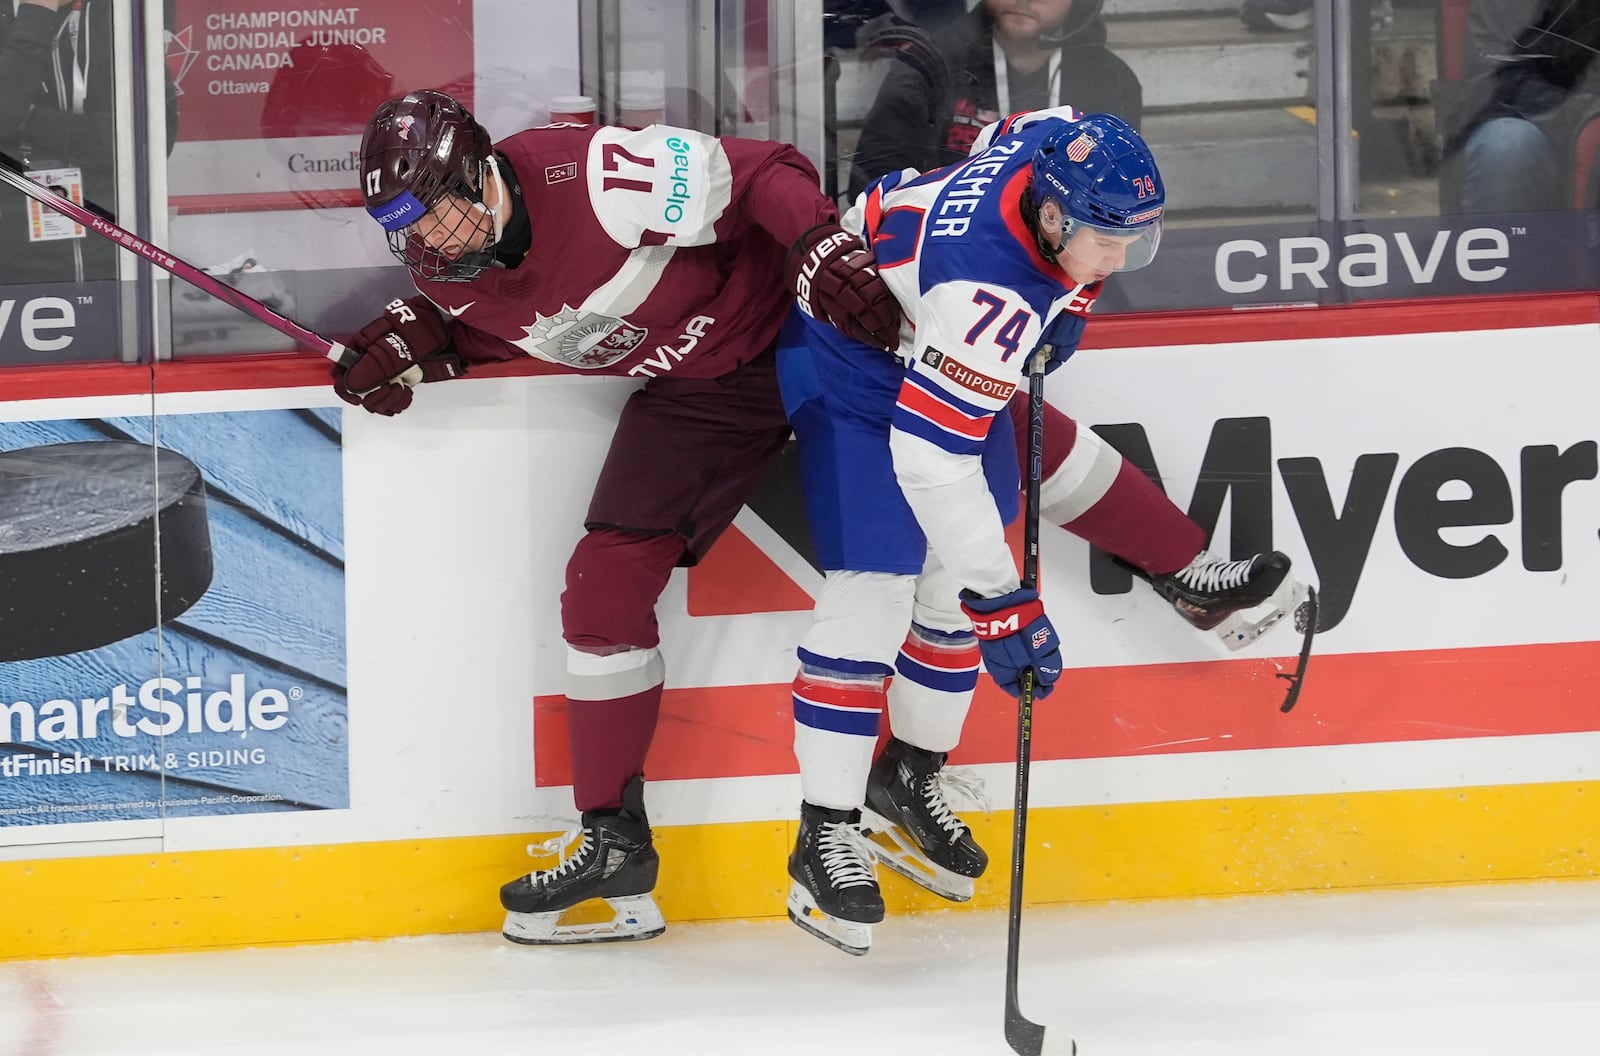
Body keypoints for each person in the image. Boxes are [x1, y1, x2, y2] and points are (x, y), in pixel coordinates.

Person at [344, 88, 901, 945]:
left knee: (978, 486)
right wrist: (418, 340)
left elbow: (762, 173)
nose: (424, 243)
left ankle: (1171, 563)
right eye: (405, 227)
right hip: (708, 392)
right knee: (600, 594)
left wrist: (819, 243)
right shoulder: (441, 269)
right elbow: (535, 320)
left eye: (436, 217)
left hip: (807, 333)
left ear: (480, 175)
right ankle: (614, 842)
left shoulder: (597, 175)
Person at [776, 106, 1309, 954]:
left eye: (1135, 237)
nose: (1119, 257)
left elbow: (1017, 125)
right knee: (872, 591)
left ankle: (907, 776)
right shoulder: (984, 292)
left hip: (927, 335)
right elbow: (928, 462)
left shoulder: (1060, 147)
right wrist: (1007, 605)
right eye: (1103, 239)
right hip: (851, 357)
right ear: (1053, 216)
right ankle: (823, 832)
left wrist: (1071, 298)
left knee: (951, 580)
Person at [847, 0, 1142, 199]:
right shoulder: (930, 63)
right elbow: (873, 186)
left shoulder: (1110, 81)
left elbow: (1118, 195)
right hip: (943, 256)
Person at [0, 0, 178, 286]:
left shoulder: (117, 13)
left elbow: (147, 140)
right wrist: (37, 14)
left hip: (116, 260)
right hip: (16, 270)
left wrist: (29, 120)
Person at [1440, 0, 1600, 215]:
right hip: (1527, 114)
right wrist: (1580, 116)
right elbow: (1496, 78)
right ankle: (1506, 247)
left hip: (1587, 112)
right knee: (1506, 147)